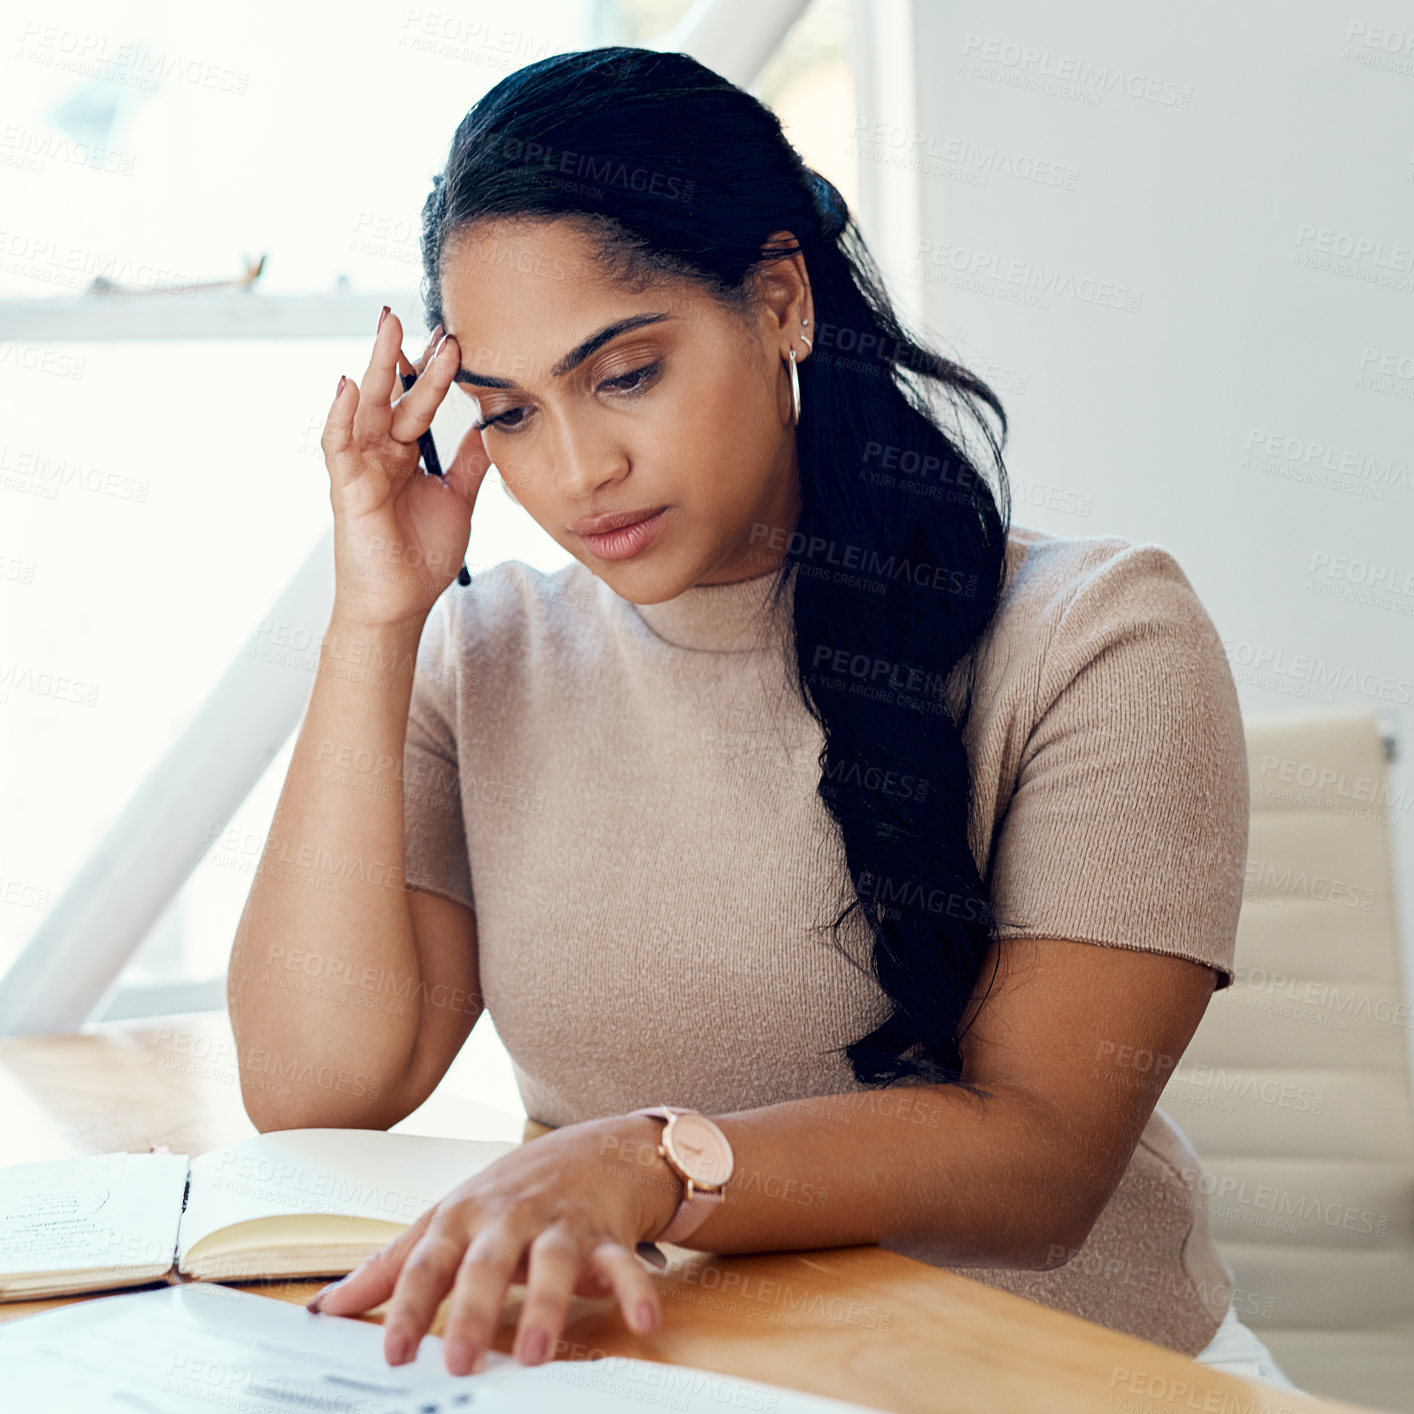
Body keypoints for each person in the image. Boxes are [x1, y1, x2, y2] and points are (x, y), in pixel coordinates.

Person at [226, 45, 1298, 1393]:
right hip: (664, 1373)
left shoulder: (1098, 633)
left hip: (1047, 1378)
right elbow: (317, 1085)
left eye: (624, 375)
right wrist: (373, 618)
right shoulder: (483, 650)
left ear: (779, 300)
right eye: (507, 413)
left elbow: (1040, 1164)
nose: (577, 468)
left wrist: (646, 1156)